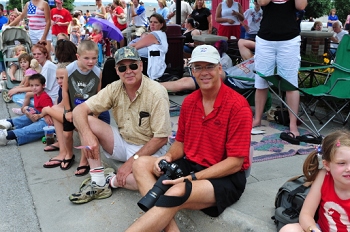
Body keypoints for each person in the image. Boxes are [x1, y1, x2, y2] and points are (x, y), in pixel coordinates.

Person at [126, 45, 252, 231]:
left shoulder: (238, 106)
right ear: (192, 71)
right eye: (198, 67)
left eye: (209, 66)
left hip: (226, 177)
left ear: (219, 68)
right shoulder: (190, 102)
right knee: (140, 163)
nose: (204, 72)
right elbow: (181, 143)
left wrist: (192, 178)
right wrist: (166, 157)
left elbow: (235, 162)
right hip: (192, 164)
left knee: (177, 190)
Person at [68, 46, 171, 204]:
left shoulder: (156, 92)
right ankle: (98, 181)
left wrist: (131, 163)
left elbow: (161, 138)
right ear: (117, 70)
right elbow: (79, 110)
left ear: (141, 66)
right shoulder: (114, 88)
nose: (128, 71)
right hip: (123, 142)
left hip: (150, 149)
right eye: (122, 67)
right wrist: (87, 136)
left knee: (145, 182)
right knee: (86, 122)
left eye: (133, 66)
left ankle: (110, 181)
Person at [252, 0, 307, 143]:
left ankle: (292, 125)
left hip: (289, 39)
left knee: (290, 82)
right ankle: (257, 119)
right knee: (261, 80)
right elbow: (263, 2)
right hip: (265, 39)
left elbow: (301, 6)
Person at [280, 130, 350, 232]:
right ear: (327, 165)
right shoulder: (324, 176)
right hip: (321, 229)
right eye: (342, 163)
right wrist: (313, 229)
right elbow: (306, 214)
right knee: (289, 229)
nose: (349, 168)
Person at [0, 74, 53, 146]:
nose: (34, 88)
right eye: (32, 85)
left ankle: (8, 135)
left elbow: (49, 110)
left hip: (49, 120)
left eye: (37, 85)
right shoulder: (36, 93)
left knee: (36, 127)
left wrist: (43, 115)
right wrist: (27, 111)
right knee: (29, 110)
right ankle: (10, 122)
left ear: (43, 85)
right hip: (41, 114)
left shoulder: (44, 97)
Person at [129, 13, 168, 80]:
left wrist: (133, 44)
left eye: (155, 22)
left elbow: (135, 47)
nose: (152, 24)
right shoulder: (160, 34)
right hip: (144, 62)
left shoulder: (155, 34)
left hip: (145, 64)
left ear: (161, 25)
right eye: (150, 22)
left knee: (111, 64)